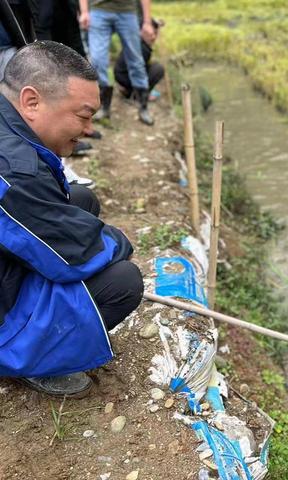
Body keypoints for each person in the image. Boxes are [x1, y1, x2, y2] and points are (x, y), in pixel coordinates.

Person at [0, 40, 143, 396]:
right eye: (83, 115)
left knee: (80, 200)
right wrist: (120, 241)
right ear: (31, 101)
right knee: (123, 281)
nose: (89, 129)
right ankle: (31, 360)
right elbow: (77, 255)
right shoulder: (14, 169)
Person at [78, 0, 155, 125]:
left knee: (136, 60)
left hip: (127, 12)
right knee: (97, 60)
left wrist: (147, 22)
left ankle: (143, 107)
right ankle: (103, 106)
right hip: (98, 10)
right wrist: (84, 12)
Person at [114, 17, 164, 102]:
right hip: (125, 77)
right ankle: (138, 95)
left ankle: (130, 90)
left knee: (150, 66)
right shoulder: (143, 48)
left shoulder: (135, 41)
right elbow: (139, 70)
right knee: (158, 69)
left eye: (155, 33)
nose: (154, 37)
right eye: (151, 34)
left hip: (121, 75)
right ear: (142, 32)